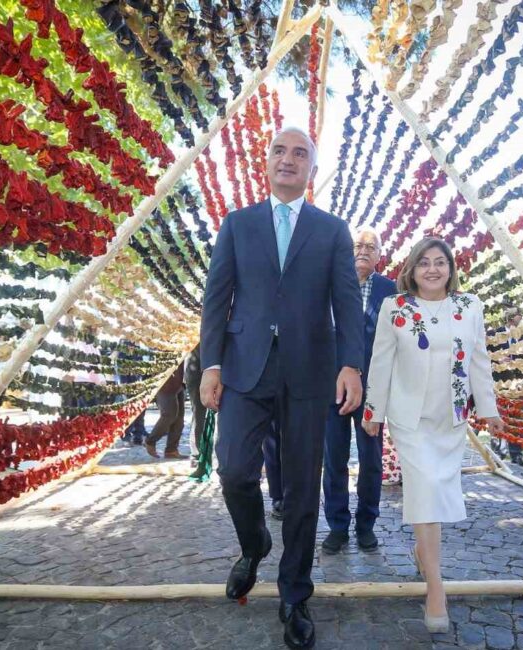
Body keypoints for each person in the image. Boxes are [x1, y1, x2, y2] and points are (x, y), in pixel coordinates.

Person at [198, 126, 363, 649]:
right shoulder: (238, 224)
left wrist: (351, 365)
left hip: (311, 371)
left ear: (311, 170)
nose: (288, 160)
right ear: (265, 162)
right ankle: (254, 545)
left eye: (300, 154)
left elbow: (348, 304)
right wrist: (211, 365)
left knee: (300, 486)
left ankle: (295, 594)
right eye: (279, 151)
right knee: (234, 470)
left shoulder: (333, 230)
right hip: (245, 370)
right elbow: (217, 298)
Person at [362, 238, 505, 633]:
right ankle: (436, 589)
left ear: (450, 268)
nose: (432, 269)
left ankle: (425, 558)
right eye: (424, 262)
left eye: (440, 262)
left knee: (435, 493)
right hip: (409, 418)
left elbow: (479, 359)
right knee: (424, 488)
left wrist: (489, 410)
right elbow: (381, 360)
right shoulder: (397, 306)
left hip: (451, 417)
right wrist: (373, 411)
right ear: (412, 268)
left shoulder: (469, 306)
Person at [321, 228, 396, 554]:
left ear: (380, 255)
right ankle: (337, 526)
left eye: (371, 246)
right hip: (331, 387)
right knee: (333, 457)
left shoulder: (391, 292)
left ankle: (366, 524)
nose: (364, 250)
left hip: (373, 390)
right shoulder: (327, 286)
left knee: (371, 459)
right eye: (358, 245)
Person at [145, 363, 187, 459]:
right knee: (169, 415)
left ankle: (171, 450)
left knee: (179, 420)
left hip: (180, 381)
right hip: (166, 381)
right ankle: (150, 441)